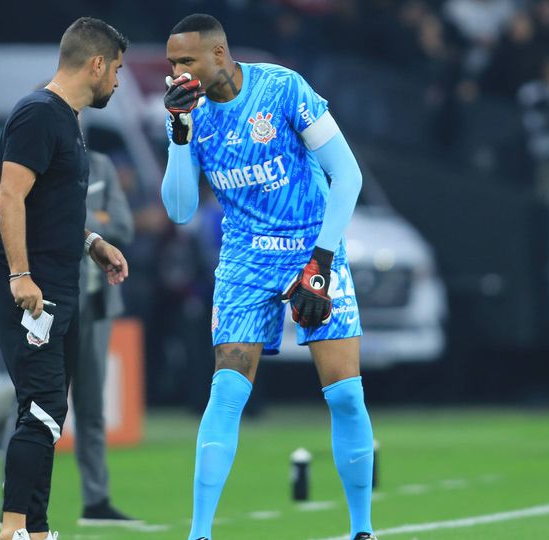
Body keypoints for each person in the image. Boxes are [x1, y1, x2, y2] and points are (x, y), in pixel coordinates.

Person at [161, 14, 376, 540]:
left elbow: (347, 174)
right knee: (227, 391)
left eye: (185, 61)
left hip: (312, 248)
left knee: (346, 394)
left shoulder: (281, 88)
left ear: (217, 55)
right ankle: (200, 533)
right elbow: (181, 210)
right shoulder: (191, 116)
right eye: (171, 64)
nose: (176, 73)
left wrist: (321, 263)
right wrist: (180, 137)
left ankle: (361, 529)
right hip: (244, 261)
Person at [0, 17, 129, 540]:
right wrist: (21, 275)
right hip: (32, 289)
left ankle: (35, 530)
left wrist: (93, 243)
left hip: (60, 284)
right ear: (95, 63)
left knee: (49, 412)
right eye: (116, 69)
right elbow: (8, 196)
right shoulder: (39, 114)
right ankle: (15, 529)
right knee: (41, 407)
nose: (117, 80)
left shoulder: (65, 119)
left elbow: (52, 204)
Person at [73, 150, 139, 526]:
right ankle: (9, 495)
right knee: (34, 403)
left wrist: (87, 224)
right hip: (55, 303)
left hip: (98, 304)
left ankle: (96, 501)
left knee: (92, 407)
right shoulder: (37, 163)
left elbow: (125, 225)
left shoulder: (100, 165)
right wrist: (97, 220)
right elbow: (50, 221)